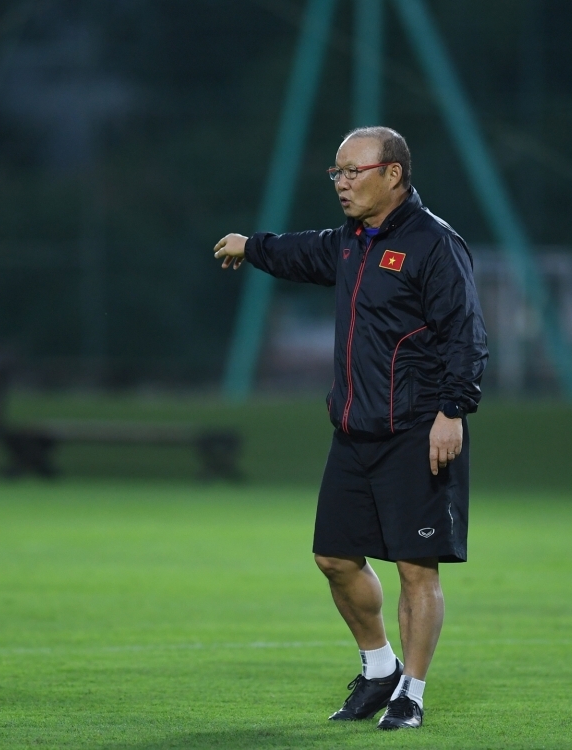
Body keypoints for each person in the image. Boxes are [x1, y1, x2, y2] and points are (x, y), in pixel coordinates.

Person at [213, 127, 487, 730]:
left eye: (351, 171)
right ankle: (380, 668)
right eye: (336, 173)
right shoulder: (349, 242)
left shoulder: (434, 244)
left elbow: (465, 334)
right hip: (353, 430)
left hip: (417, 430)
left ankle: (411, 693)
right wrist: (251, 246)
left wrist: (452, 411)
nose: (340, 183)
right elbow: (298, 251)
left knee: (416, 568)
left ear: (392, 174)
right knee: (333, 557)